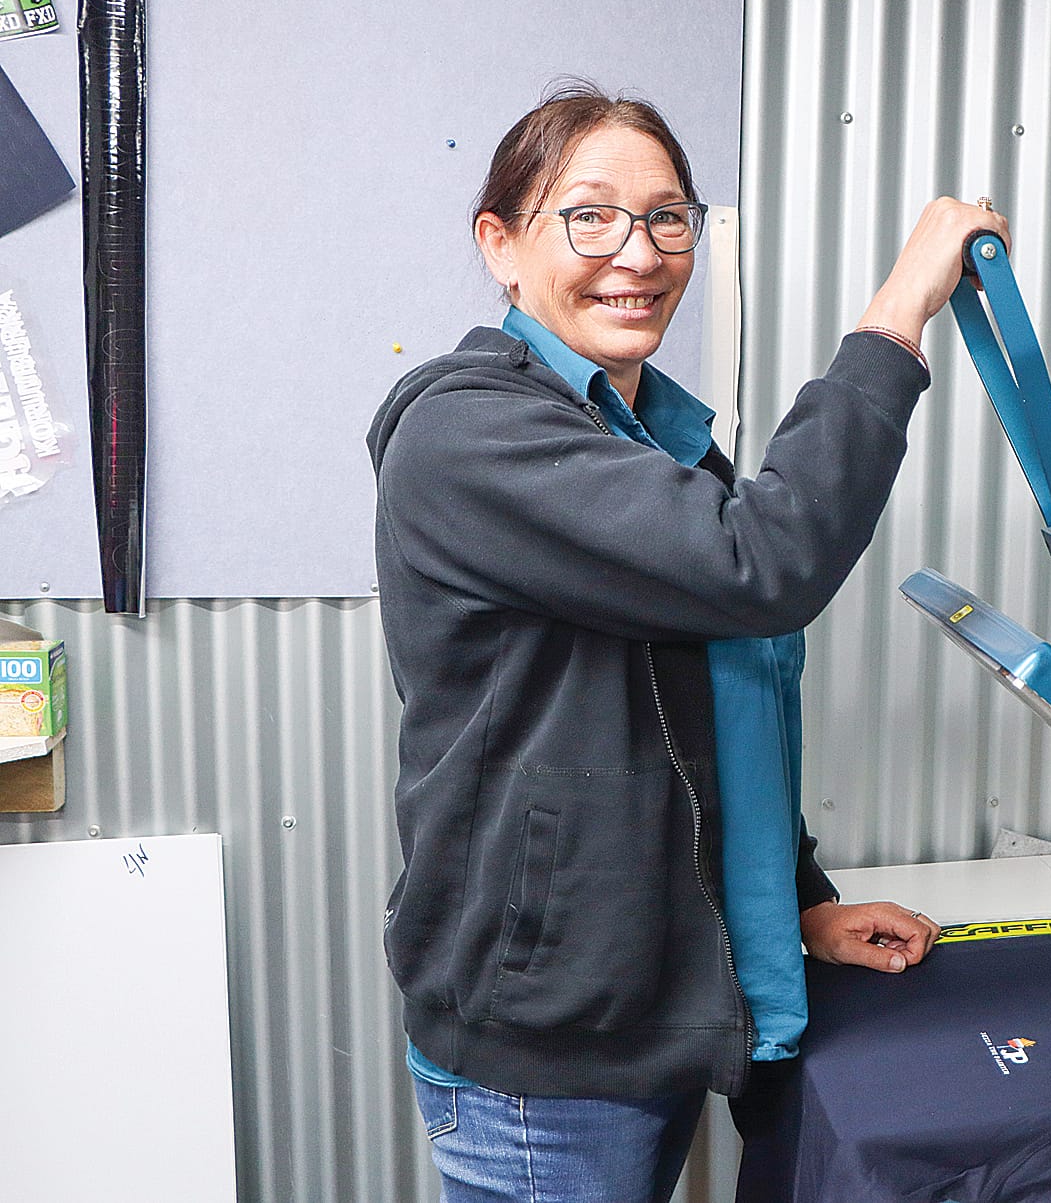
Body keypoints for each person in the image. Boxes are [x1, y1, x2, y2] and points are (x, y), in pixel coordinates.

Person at [366, 83, 1005, 1203]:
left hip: (641, 1006)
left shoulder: (651, 439)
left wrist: (802, 901)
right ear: (502, 245)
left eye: (668, 219)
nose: (640, 252)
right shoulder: (470, 430)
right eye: (591, 216)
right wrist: (900, 310)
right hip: (549, 1054)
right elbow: (764, 567)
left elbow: (714, 717)